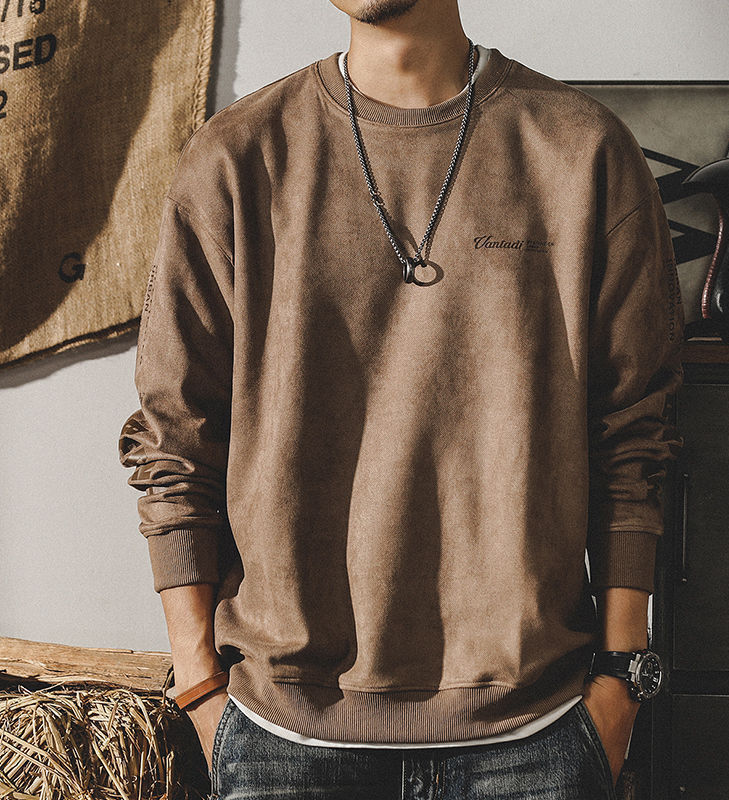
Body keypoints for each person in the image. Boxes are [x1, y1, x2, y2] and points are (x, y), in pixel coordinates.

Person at [117, 1, 684, 798]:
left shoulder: (582, 149)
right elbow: (175, 436)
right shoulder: (237, 156)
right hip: (283, 734)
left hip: (537, 730)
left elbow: (635, 433)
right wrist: (198, 683)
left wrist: (622, 679)